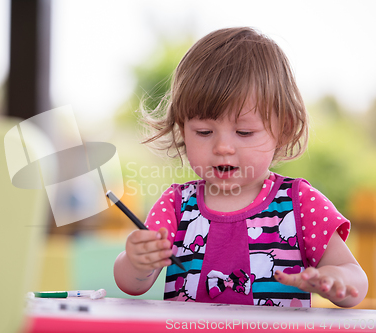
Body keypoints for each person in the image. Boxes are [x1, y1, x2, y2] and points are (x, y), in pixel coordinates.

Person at [113, 27, 368, 308]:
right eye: (204, 132)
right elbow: (133, 284)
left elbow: (355, 276)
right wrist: (137, 262)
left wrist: (335, 280)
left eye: (244, 132)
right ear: (182, 130)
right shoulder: (175, 205)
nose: (223, 147)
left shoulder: (300, 204)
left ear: (283, 130)